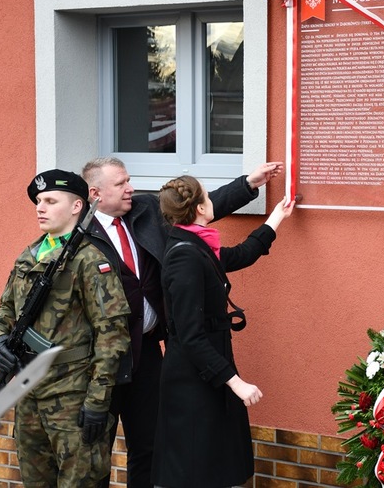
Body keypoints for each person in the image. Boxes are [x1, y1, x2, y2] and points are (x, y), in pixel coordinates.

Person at [81, 157, 281, 488]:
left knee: (147, 446)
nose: (130, 188)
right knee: (95, 452)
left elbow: (198, 205)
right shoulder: (78, 236)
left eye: (129, 180)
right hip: (101, 361)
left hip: (146, 352)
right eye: (121, 184)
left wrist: (250, 183)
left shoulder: (144, 211)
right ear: (96, 193)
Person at [0, 169, 131, 487]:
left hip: (73, 395)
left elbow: (112, 336)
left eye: (51, 200)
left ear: (77, 206)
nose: (40, 207)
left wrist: (96, 403)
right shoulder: (29, 255)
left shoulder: (91, 261)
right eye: (38, 201)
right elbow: (4, 313)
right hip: (28, 394)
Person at [151, 176, 294, 488]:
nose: (213, 199)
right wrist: (236, 383)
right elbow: (190, 337)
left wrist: (276, 217)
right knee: (196, 470)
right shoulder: (184, 256)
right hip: (192, 383)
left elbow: (241, 255)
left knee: (213, 467)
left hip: (207, 374)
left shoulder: (196, 244)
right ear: (202, 207)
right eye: (208, 195)